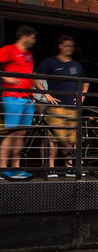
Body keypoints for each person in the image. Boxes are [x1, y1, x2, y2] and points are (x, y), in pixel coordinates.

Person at [34, 35, 89, 178]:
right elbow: (34, 77)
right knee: (53, 137)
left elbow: (86, 81)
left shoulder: (76, 65)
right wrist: (46, 94)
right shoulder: (50, 62)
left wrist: (82, 96)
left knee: (71, 138)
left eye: (71, 46)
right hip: (56, 105)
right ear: (60, 46)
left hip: (72, 106)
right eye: (66, 45)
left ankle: (70, 167)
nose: (68, 48)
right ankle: (49, 166)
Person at [0, 25, 39, 179]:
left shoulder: (29, 54)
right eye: (33, 37)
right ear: (25, 36)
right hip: (12, 97)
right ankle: (3, 168)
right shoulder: (9, 50)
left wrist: (37, 92)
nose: (34, 41)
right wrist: (4, 77)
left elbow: (30, 75)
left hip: (27, 98)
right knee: (11, 132)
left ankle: (16, 168)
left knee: (20, 133)